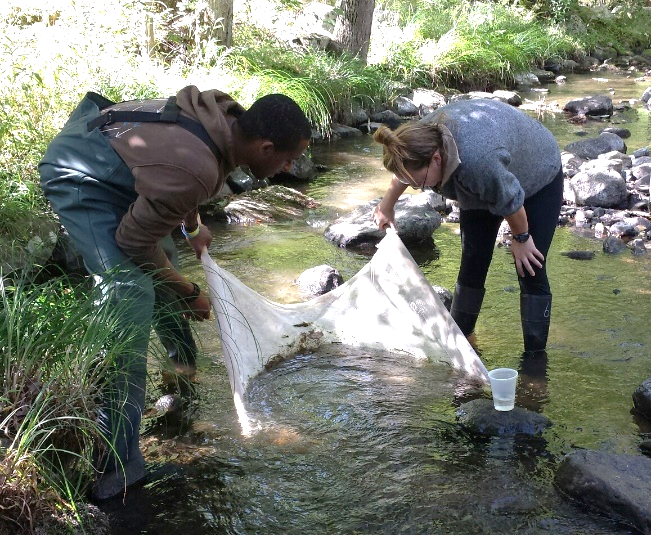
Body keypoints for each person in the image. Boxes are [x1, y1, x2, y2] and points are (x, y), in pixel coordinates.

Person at [38, 85, 311, 500]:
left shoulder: (225, 118)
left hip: (124, 170)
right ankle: (117, 469)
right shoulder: (196, 167)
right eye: (288, 159)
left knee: (164, 255)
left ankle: (180, 375)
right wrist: (188, 292)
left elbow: (181, 168)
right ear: (266, 146)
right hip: (83, 176)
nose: (289, 167)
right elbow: (136, 238)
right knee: (129, 293)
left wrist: (192, 225)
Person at [372, 98, 563, 356]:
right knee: (472, 263)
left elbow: (511, 201)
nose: (421, 188)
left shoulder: (478, 161)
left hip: (537, 173)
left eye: (421, 183)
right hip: (487, 175)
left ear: (437, 158)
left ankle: (534, 363)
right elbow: (407, 171)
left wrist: (522, 237)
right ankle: (462, 346)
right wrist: (387, 204)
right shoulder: (416, 141)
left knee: (530, 268)